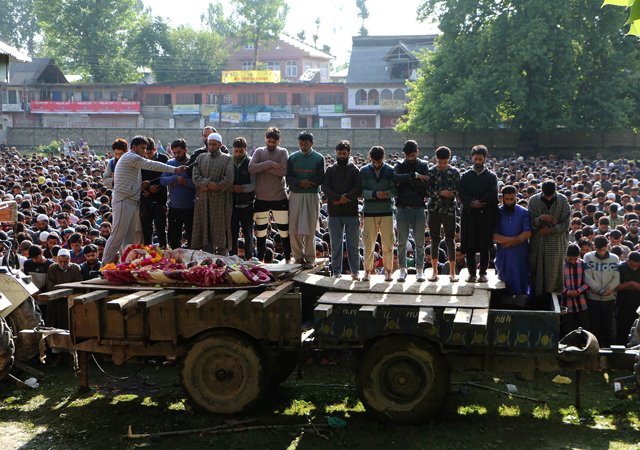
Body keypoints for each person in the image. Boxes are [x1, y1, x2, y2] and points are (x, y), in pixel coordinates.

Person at [101, 137, 187, 266]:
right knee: (117, 236)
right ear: (134, 147)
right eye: (142, 148)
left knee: (128, 239)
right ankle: (104, 266)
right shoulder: (131, 157)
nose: (144, 151)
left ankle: (124, 265)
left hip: (131, 201)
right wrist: (174, 170)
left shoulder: (132, 159)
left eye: (146, 148)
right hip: (124, 201)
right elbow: (151, 164)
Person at [248, 127, 291, 262]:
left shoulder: (283, 152)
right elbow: (251, 168)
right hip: (261, 199)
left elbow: (284, 171)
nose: (271, 144)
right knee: (260, 233)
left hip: (279, 198)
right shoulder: (259, 151)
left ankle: (288, 258)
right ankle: (260, 259)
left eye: (274, 142)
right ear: (265, 139)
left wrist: (263, 168)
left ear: (279, 141)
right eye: (269, 141)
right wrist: (270, 164)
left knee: (284, 231)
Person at [322, 140, 362, 279]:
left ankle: (355, 272)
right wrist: (338, 198)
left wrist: (346, 198)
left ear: (348, 153)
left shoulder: (355, 170)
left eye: (344, 153)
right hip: (334, 213)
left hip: (351, 213)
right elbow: (325, 188)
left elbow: (358, 189)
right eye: (339, 153)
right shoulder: (330, 170)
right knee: (336, 245)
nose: (341, 156)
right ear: (336, 153)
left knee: (353, 246)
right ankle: (336, 272)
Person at [459, 145, 498, 283]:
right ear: (472, 158)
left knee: (484, 246)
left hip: (485, 215)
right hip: (469, 215)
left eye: (480, 159)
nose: (477, 161)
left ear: (485, 159)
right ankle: (471, 273)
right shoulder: (466, 176)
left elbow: (493, 193)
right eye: (475, 159)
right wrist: (471, 203)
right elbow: (462, 193)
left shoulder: (491, 176)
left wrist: (480, 202)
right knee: (469, 246)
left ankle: (483, 273)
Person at [392, 140, 430, 282]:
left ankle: (420, 270)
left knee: (419, 242)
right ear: (404, 154)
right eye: (408, 155)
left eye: (413, 155)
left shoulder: (424, 165)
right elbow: (395, 178)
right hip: (402, 208)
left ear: (417, 152)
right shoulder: (400, 165)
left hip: (418, 208)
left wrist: (405, 182)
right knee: (402, 242)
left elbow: (425, 184)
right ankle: (402, 270)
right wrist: (414, 176)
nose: (410, 158)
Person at [286, 131, 325, 269]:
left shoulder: (319, 158)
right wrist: (300, 182)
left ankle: (310, 258)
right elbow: (288, 178)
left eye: (306, 143)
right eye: (301, 143)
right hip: (295, 194)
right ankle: (297, 257)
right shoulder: (292, 158)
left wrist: (309, 183)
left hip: (311, 195)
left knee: (309, 227)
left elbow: (321, 177)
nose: (303, 146)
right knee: (294, 227)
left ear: (312, 143)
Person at [191, 133, 234, 254]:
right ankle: (207, 259)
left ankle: (223, 259)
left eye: (214, 144)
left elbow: (228, 180)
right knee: (206, 229)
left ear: (220, 145)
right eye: (209, 144)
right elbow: (195, 177)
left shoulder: (227, 159)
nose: (211, 147)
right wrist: (208, 184)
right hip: (203, 201)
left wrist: (212, 186)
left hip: (220, 201)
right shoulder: (200, 158)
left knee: (220, 229)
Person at [528, 180, 571, 300]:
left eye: (550, 196)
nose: (548, 198)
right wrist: (540, 218)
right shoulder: (533, 200)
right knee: (536, 274)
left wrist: (551, 230)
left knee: (554, 274)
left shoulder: (563, 200)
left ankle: (553, 300)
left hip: (556, 244)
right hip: (538, 243)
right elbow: (529, 222)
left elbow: (566, 224)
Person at [360, 146, 396, 282]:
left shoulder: (391, 170)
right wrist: (375, 194)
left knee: (388, 243)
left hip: (387, 210)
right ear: (370, 158)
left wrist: (385, 194)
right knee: (368, 243)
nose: (376, 164)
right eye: (374, 161)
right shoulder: (363, 171)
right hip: (369, 211)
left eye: (379, 161)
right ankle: (367, 271)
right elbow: (361, 191)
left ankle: (388, 271)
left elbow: (395, 190)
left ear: (383, 158)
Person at [493, 185, 532, 305]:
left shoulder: (524, 212)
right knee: (505, 288)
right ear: (502, 198)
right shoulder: (497, 213)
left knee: (522, 287)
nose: (509, 202)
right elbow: (494, 236)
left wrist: (511, 242)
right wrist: (512, 241)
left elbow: (527, 232)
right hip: (504, 257)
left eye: (512, 199)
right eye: (507, 199)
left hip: (520, 256)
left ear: (516, 197)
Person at [426, 146, 461, 282]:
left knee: (450, 240)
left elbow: (459, 190)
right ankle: (435, 272)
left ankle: (452, 272)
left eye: (445, 162)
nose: (442, 165)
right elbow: (427, 191)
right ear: (436, 159)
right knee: (434, 240)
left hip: (449, 210)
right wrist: (441, 193)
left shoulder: (454, 172)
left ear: (449, 159)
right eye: (440, 162)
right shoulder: (431, 172)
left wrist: (451, 193)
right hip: (434, 209)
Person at [584, 235, 620, 348]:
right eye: (598, 250)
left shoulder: (614, 258)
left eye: (603, 250)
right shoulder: (588, 257)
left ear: (607, 247)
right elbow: (587, 277)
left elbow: (616, 277)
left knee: (609, 327)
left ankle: (609, 352)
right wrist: (598, 289)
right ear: (594, 247)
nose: (600, 252)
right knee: (595, 327)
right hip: (593, 298)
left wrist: (609, 289)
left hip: (609, 298)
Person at [161, 139, 196, 249]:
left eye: (179, 152)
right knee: (173, 238)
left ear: (186, 150)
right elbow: (162, 180)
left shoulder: (193, 163)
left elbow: (197, 183)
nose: (176, 155)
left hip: (191, 207)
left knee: (192, 237)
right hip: (174, 207)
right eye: (174, 153)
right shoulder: (170, 164)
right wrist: (175, 178)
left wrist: (184, 182)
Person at [140, 137, 169, 247]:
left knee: (161, 228)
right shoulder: (140, 160)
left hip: (159, 199)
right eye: (146, 153)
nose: (148, 156)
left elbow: (165, 178)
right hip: (145, 200)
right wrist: (147, 189)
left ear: (155, 149)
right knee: (147, 230)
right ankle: (148, 253)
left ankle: (163, 251)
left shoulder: (163, 159)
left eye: (150, 153)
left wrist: (152, 189)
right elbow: (139, 180)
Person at [230, 137, 256, 259]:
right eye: (236, 151)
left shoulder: (251, 163)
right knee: (232, 234)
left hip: (247, 205)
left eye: (241, 151)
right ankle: (233, 258)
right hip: (232, 205)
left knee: (248, 234)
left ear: (245, 150)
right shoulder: (229, 163)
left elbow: (253, 185)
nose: (238, 154)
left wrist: (241, 188)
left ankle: (249, 258)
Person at [45, 248, 82, 329]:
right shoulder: (52, 268)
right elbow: (50, 286)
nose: (62, 264)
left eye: (65, 262)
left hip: (69, 301)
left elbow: (78, 286)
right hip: (55, 301)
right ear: (57, 259)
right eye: (60, 261)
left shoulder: (75, 268)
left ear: (70, 259)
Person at [560, 244, 590, 337]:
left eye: (575, 259)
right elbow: (556, 283)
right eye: (570, 259)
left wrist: (578, 291)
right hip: (565, 305)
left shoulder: (583, 264)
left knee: (584, 329)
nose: (573, 262)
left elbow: (588, 281)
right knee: (567, 330)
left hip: (582, 303)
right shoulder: (560, 265)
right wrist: (567, 292)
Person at [615, 251, 640, 344]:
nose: (635, 268)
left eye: (637, 266)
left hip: (638, 307)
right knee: (622, 330)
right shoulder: (620, 268)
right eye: (632, 266)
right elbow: (617, 287)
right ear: (628, 261)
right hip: (623, 305)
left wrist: (627, 284)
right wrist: (632, 283)